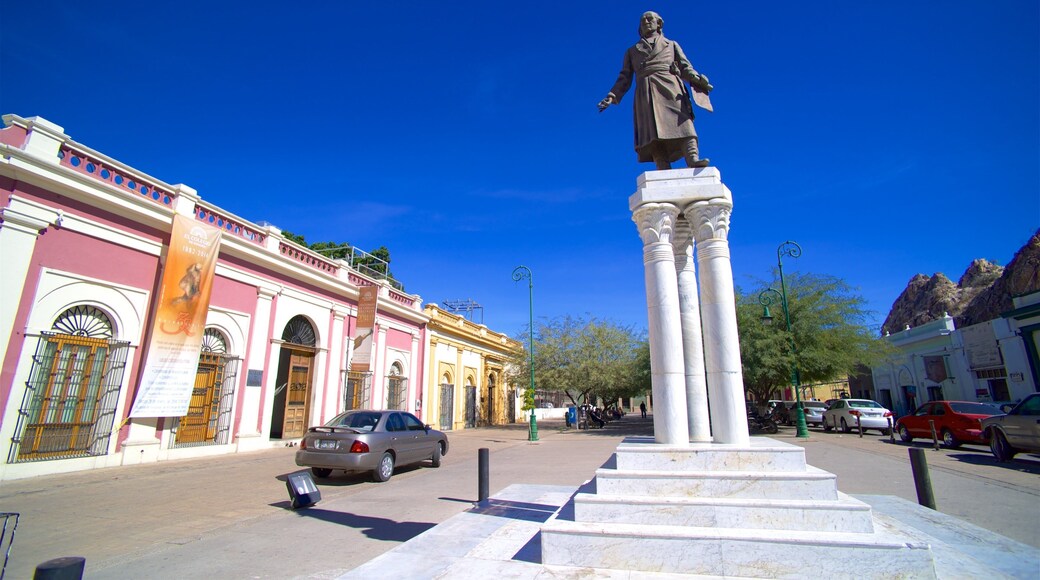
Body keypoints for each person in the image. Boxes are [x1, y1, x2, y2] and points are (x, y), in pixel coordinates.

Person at [598, 11, 713, 170]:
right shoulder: (632, 51)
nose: (646, 21)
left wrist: (697, 79)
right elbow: (624, 77)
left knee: (683, 121)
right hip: (646, 91)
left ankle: (692, 157)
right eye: (642, 20)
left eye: (649, 18)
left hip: (670, 85)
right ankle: (662, 164)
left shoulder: (671, 44)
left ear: (659, 23)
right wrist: (612, 96)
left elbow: (685, 67)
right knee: (652, 130)